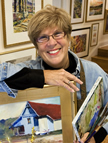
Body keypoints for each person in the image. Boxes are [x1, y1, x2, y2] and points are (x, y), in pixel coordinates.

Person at [0, 5, 108, 143]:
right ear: (36, 46)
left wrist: (98, 136)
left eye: (57, 34)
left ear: (68, 37)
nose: (51, 42)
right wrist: (43, 76)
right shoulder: (28, 70)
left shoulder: (93, 71)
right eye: (43, 37)